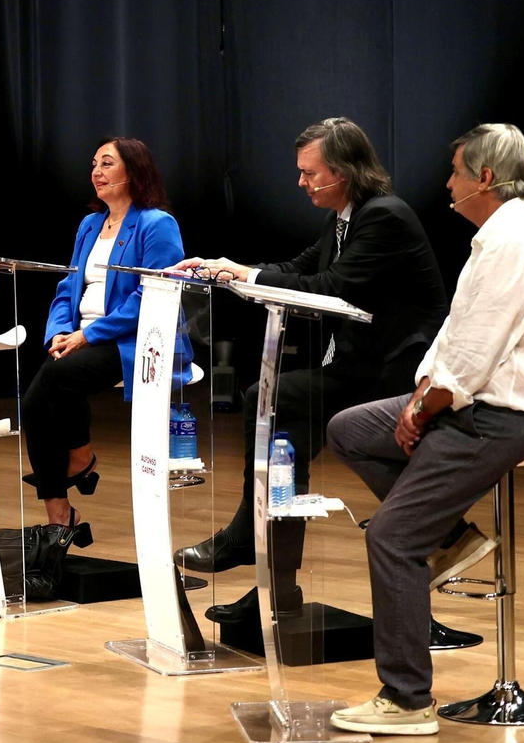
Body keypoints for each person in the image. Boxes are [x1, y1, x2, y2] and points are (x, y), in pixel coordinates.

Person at [326, 124, 524, 736]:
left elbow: (476, 356)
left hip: (506, 416)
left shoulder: (514, 241)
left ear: (484, 178)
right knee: (351, 428)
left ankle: (407, 699)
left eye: (457, 172)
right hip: (468, 404)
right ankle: (452, 541)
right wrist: (417, 399)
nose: (448, 184)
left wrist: (427, 408)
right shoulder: (494, 237)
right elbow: (453, 338)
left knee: (391, 537)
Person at [171, 117, 447, 624]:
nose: (301, 183)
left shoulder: (384, 216)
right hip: (355, 367)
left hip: (394, 375)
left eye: (309, 172)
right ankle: (274, 589)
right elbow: (300, 268)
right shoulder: (344, 216)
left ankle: (250, 549)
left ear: (343, 172)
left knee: (268, 399)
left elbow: (332, 286)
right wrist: (230, 268)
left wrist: (249, 275)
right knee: (283, 430)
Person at [20, 137, 188, 528]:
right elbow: (68, 288)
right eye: (94, 164)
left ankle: (77, 467)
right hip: (81, 335)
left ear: (134, 172)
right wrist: (58, 332)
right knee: (41, 391)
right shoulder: (90, 224)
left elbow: (153, 296)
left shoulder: (156, 224)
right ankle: (60, 514)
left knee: (52, 381)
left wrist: (89, 336)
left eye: (107, 164)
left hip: (134, 341)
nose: (96, 172)